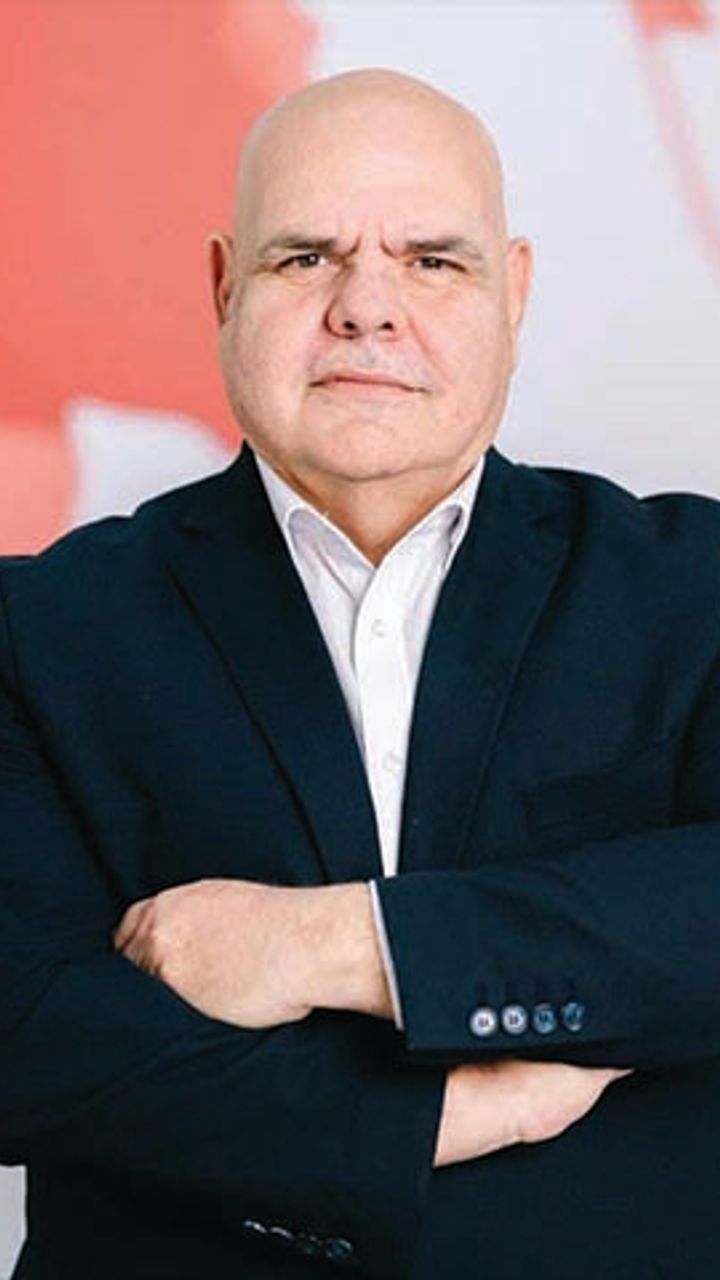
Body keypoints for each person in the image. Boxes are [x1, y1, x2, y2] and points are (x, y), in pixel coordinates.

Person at [0, 67, 719, 1280]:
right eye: (305, 258)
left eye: (432, 260)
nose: (366, 309)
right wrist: (446, 1116)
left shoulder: (697, 586)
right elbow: (25, 1035)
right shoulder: (35, 626)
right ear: (224, 287)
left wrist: (344, 942)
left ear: (515, 292)